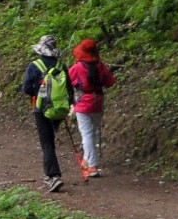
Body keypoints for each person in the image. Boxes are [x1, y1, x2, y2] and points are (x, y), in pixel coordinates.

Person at [20, 35, 70, 193]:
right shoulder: (62, 65)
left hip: (41, 109)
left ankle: (53, 176)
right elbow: (69, 88)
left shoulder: (35, 66)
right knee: (51, 139)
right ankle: (51, 172)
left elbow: (26, 89)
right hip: (59, 109)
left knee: (47, 143)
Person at [67, 38, 115, 181]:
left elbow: (68, 82)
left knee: (87, 135)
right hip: (98, 102)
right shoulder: (101, 66)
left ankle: (92, 166)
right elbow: (110, 82)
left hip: (83, 103)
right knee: (92, 133)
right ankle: (87, 160)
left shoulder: (77, 68)